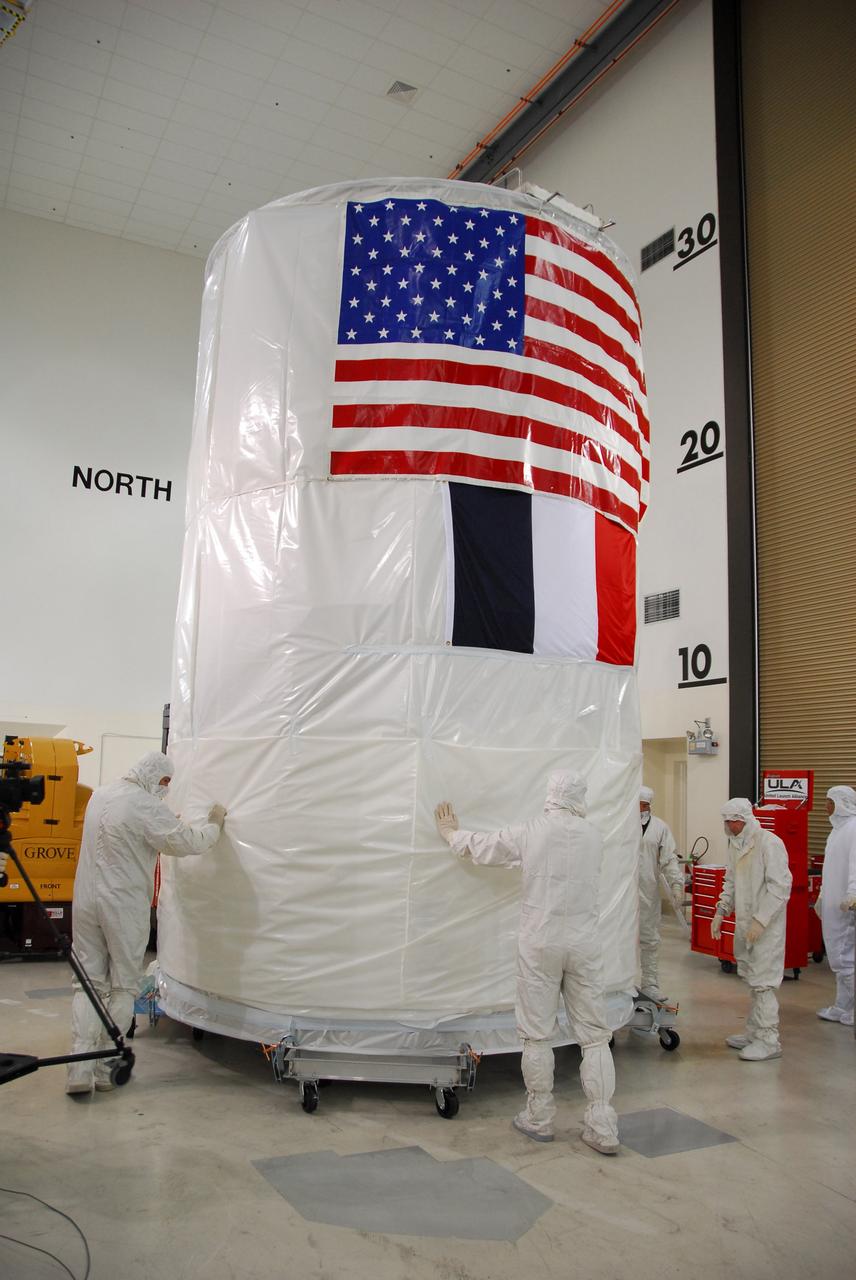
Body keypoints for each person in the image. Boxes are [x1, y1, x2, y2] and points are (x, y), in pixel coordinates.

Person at [435, 771, 619, 1155]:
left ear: (551, 794)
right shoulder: (594, 836)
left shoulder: (534, 831)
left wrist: (453, 833)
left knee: (537, 1033)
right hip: (584, 943)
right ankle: (602, 1126)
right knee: (595, 1035)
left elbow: (486, 848)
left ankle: (539, 1117)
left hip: (541, 943)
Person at [67, 751, 226, 1096]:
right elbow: (185, 843)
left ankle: (79, 1069)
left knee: (88, 983)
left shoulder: (100, 795)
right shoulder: (144, 805)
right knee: (123, 985)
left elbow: (133, 832)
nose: (166, 789)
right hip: (121, 904)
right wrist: (214, 825)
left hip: (85, 902)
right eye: (165, 782)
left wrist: (166, 821)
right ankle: (106, 1068)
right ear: (154, 775)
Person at [711, 797, 792, 1061]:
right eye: (726, 822)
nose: (729, 826)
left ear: (744, 819)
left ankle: (769, 1041)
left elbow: (780, 888)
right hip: (746, 926)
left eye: (732, 821)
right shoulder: (735, 845)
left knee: (764, 984)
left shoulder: (770, 843)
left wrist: (761, 920)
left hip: (766, 928)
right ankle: (755, 1032)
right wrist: (721, 912)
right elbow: (731, 882)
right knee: (751, 978)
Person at [638, 785, 685, 1001]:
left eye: (646, 805)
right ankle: (618, 984)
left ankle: (650, 984)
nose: (642, 808)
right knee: (618, 939)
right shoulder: (620, 825)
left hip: (647, 892)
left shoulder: (659, 828)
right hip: (620, 894)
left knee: (650, 940)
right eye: (639, 804)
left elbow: (669, 858)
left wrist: (677, 884)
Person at [816, 785, 856, 1026]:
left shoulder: (853, 828)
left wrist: (852, 894)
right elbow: (829, 869)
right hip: (832, 905)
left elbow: (855, 865)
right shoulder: (837, 830)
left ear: (841, 802)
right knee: (838, 957)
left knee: (845, 958)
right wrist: (822, 895)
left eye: (829, 801)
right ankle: (843, 1006)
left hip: (845, 906)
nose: (826, 806)